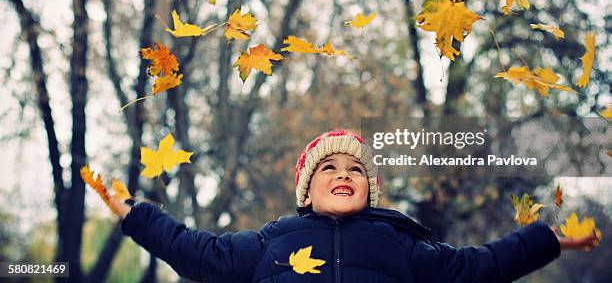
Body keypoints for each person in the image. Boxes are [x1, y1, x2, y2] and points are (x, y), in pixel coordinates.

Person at [110, 129, 598, 282]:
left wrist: (546, 238)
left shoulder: (400, 244)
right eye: (329, 167)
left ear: (371, 189)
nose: (344, 173)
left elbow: (481, 266)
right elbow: (194, 251)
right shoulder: (270, 242)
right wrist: (137, 216)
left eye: (356, 169)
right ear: (306, 190)